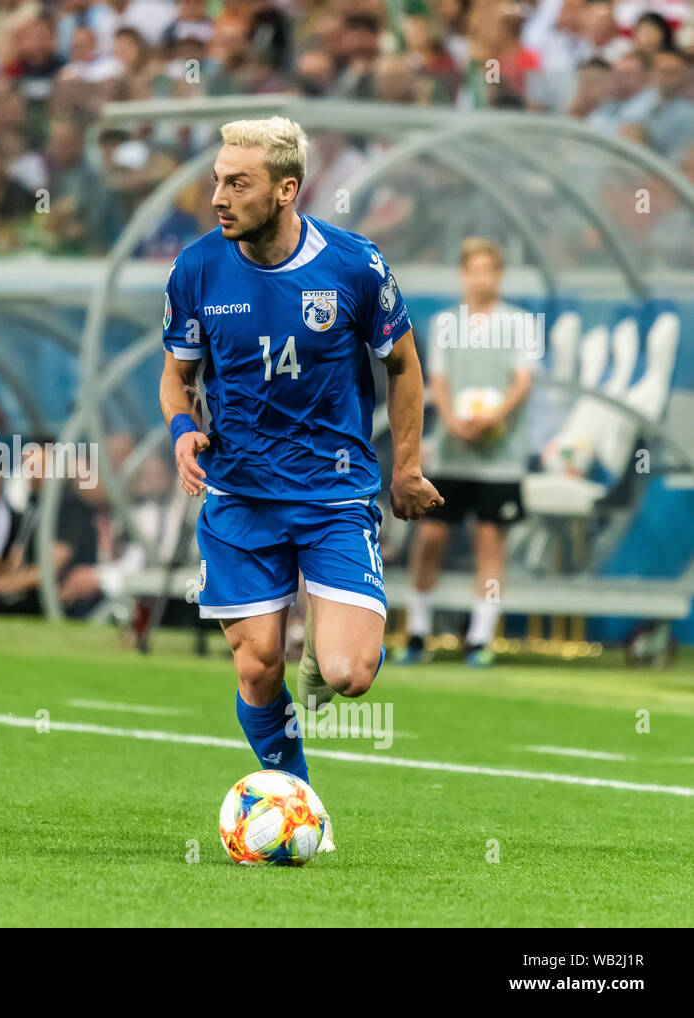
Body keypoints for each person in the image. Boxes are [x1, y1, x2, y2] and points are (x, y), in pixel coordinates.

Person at [160, 117, 440, 851]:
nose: (217, 195)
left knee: (349, 678)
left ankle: (326, 636)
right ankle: (300, 799)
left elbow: (404, 364)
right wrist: (182, 429)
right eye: (218, 178)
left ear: (287, 190)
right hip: (240, 497)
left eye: (237, 183)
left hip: (334, 495)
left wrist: (406, 466)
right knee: (256, 667)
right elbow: (177, 375)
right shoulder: (196, 269)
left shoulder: (355, 265)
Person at [399, 238, 535, 668]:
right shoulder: (445, 324)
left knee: (490, 541)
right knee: (431, 537)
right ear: (463, 274)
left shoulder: (520, 323)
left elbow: (523, 379)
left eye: (489, 270)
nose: (481, 278)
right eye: (473, 269)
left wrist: (495, 416)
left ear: (499, 275)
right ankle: (417, 631)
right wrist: (454, 420)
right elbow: (435, 379)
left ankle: (480, 637)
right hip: (453, 453)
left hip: (501, 456)